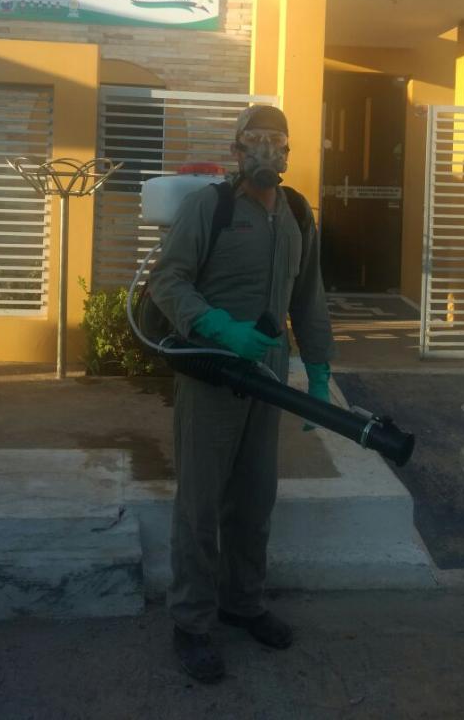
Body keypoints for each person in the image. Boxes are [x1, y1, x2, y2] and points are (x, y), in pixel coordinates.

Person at [148, 104, 334, 683]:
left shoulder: (297, 213)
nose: (267, 151)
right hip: (213, 370)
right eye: (255, 140)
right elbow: (167, 280)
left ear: (289, 150)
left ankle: (243, 602)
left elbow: (308, 295)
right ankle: (192, 622)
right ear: (236, 150)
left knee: (254, 499)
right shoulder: (212, 207)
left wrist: (319, 370)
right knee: (201, 503)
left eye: (277, 141)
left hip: (268, 378)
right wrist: (218, 327)